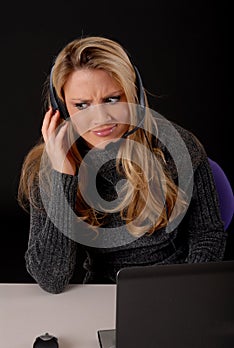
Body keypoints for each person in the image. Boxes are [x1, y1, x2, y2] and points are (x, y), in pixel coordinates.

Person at [18, 35, 227, 294]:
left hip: (176, 284)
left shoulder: (177, 146)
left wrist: (184, 291)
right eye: (82, 105)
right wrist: (64, 174)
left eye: (112, 99)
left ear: (133, 94)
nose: (100, 119)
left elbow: (208, 235)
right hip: (104, 293)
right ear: (62, 107)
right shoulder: (50, 166)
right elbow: (51, 278)